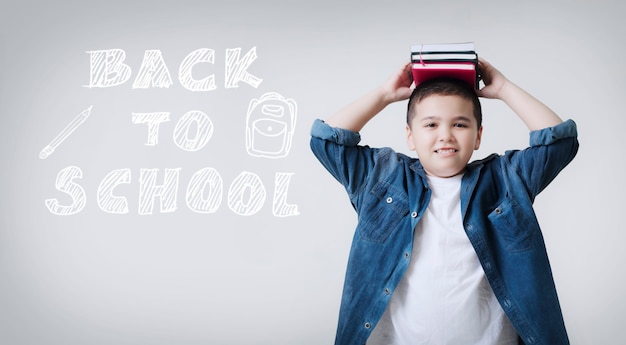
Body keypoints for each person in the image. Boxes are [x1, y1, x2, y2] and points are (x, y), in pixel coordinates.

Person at [309, 57, 578, 345]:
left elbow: (559, 144)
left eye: (460, 124)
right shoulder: (382, 177)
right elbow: (326, 141)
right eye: (431, 124)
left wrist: (503, 88)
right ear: (410, 136)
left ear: (478, 136)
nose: (445, 135)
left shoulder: (505, 180)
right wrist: (385, 95)